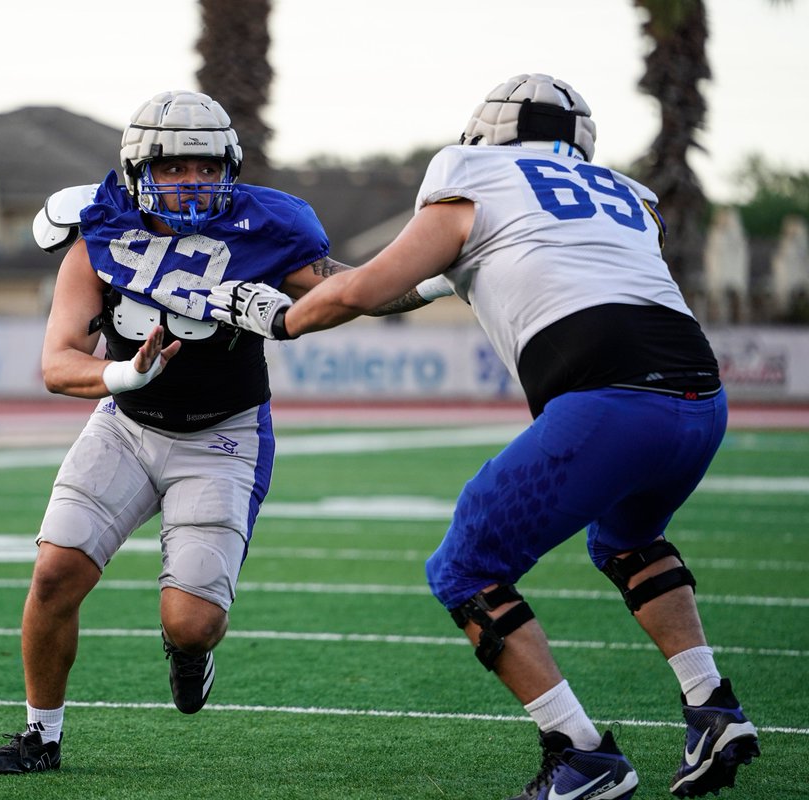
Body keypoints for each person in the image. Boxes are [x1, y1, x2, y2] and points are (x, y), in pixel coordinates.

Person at [207, 74, 759, 800]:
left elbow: (364, 289)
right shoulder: (627, 195)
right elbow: (520, 265)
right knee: (627, 540)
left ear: (487, 135)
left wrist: (275, 317)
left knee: (464, 568)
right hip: (701, 400)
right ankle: (712, 706)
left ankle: (579, 753)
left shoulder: (474, 173)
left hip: (610, 398)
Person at [0, 89, 427, 776]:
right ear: (139, 171)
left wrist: (438, 279)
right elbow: (58, 364)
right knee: (55, 574)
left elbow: (355, 288)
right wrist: (124, 374)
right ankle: (42, 735)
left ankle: (189, 653)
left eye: (206, 167)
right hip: (126, 426)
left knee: (192, 623)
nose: (192, 181)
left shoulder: (264, 230)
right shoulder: (100, 233)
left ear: (229, 169)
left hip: (223, 435)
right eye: (174, 167)